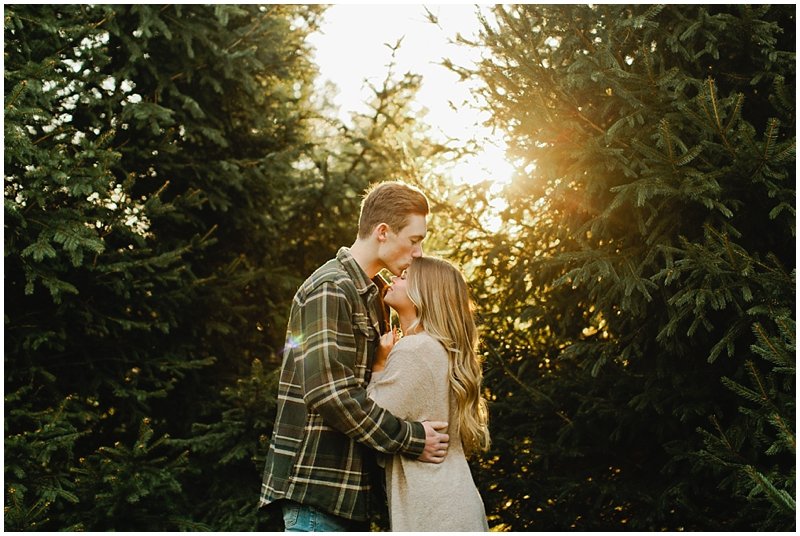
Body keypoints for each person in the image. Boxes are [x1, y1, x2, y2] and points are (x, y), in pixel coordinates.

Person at [260, 181, 450, 532]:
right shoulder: (331, 288)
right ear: (383, 232)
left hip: (351, 497)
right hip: (318, 493)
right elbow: (330, 394)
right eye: (414, 240)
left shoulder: (375, 295)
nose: (419, 252)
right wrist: (411, 439)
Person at [367, 256, 491, 532]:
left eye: (406, 275)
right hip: (453, 503)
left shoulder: (415, 349)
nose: (396, 277)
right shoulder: (436, 348)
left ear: (424, 293)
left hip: (436, 510)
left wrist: (378, 366)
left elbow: (370, 418)